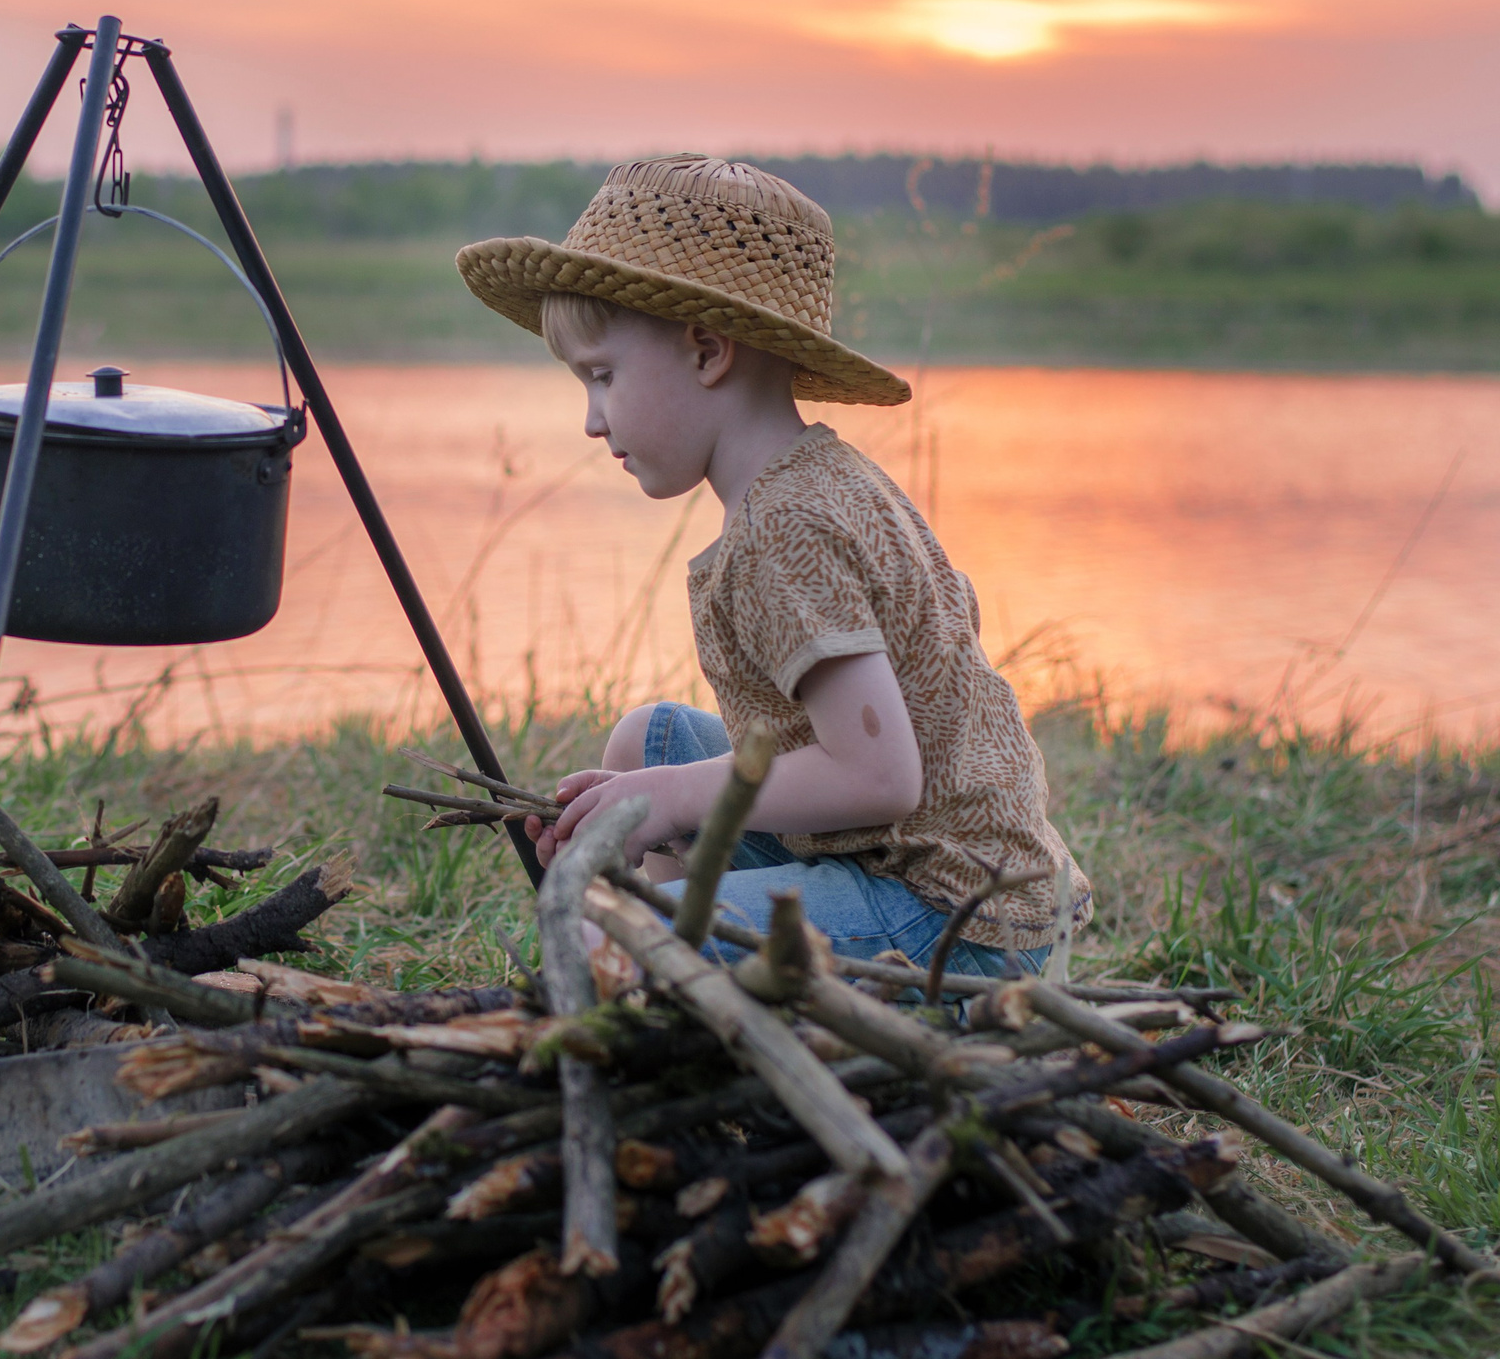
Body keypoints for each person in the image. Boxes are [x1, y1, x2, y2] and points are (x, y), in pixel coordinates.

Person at [456, 154, 1089, 979]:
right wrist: (647, 794)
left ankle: (671, 977)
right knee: (647, 741)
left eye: (603, 376)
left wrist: (673, 800)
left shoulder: (788, 527)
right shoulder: (806, 481)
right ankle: (693, 974)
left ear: (708, 351)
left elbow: (879, 775)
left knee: (608, 932)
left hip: (952, 917)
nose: (591, 418)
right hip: (889, 856)